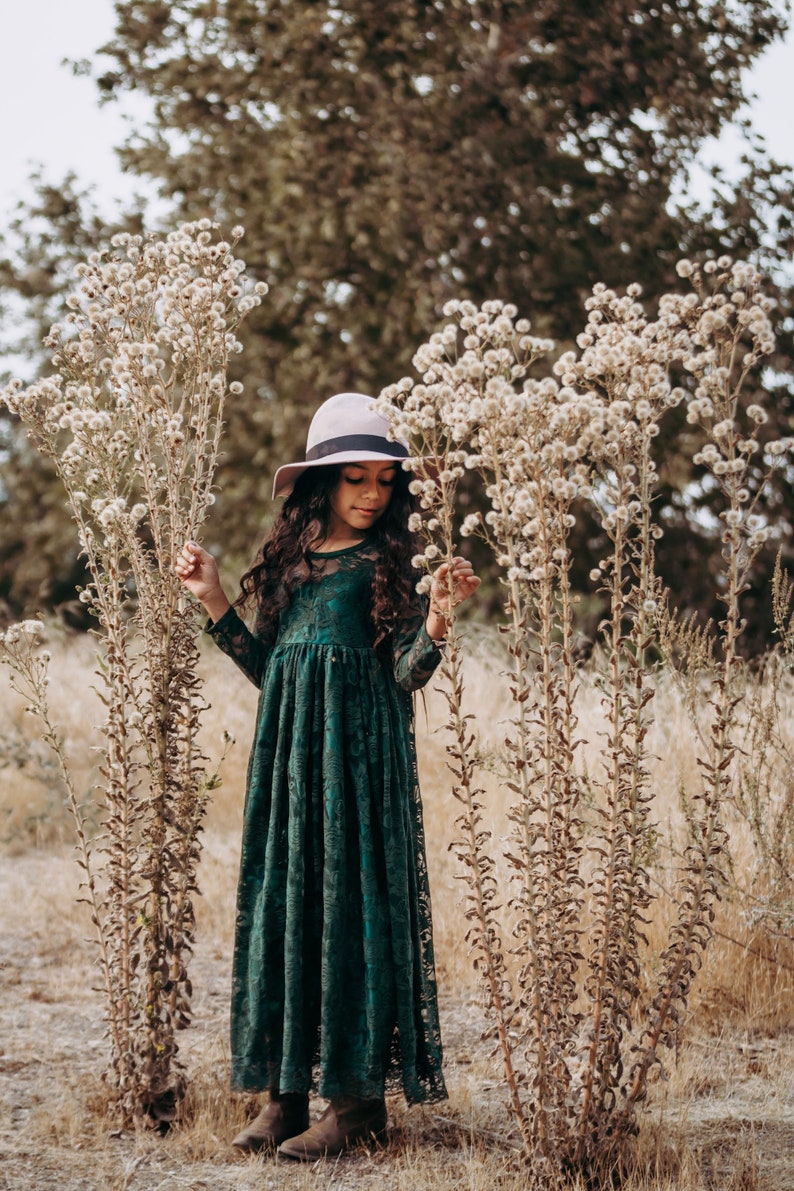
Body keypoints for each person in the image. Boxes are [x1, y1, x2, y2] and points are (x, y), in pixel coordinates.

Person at [175, 392, 479, 1161]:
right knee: (289, 908)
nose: (374, 494)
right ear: (322, 484)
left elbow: (408, 672)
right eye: (356, 478)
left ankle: (356, 1104)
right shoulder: (293, 565)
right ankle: (283, 1095)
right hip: (289, 773)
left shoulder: (387, 567)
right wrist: (213, 598)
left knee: (352, 911)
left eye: (385, 480)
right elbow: (269, 671)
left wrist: (438, 615)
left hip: (362, 772)